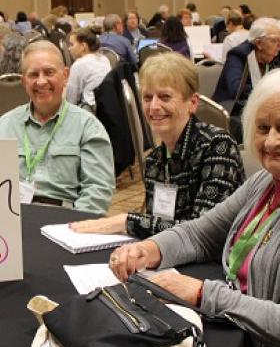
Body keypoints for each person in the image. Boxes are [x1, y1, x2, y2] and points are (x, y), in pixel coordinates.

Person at [108, 67, 280, 347]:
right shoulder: (264, 184)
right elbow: (201, 233)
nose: (270, 141)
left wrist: (203, 293)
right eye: (263, 128)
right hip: (236, 333)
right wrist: (149, 249)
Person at [70, 52, 243, 238]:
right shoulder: (154, 160)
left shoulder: (217, 147)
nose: (153, 107)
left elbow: (204, 231)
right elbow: (158, 227)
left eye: (165, 97)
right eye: (147, 98)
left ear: (192, 103)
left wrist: (127, 221)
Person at [0, 40, 115, 215]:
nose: (41, 82)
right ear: (23, 81)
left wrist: (71, 228)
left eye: (49, 72)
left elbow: (97, 192)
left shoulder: (88, 127)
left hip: (65, 222)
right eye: (33, 75)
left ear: (65, 75)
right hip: (12, 220)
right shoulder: (3, 127)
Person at [212, 17, 280, 109]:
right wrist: (271, 91)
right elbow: (237, 89)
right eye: (274, 40)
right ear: (259, 43)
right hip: (232, 108)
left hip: (265, 107)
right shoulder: (238, 55)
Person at [65, 27, 111, 112]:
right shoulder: (104, 59)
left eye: (72, 45)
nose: (69, 48)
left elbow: (71, 100)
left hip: (91, 110)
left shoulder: (79, 65)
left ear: (83, 46)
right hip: (107, 108)